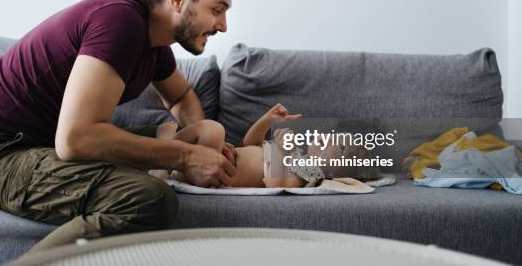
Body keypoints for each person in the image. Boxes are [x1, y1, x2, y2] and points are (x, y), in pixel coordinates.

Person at [0, 0, 240, 253]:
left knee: (174, 135)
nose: (222, 26)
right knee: (151, 199)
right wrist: (185, 156)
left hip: (43, 146)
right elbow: (75, 140)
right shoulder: (119, 24)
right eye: (216, 10)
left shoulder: (155, 44)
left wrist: (205, 148)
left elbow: (181, 97)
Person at [154, 104, 382, 188]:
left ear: (334, 173)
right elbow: (250, 143)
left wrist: (283, 151)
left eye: (341, 149)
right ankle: (166, 152)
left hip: (213, 174)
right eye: (337, 136)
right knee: (212, 132)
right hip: (213, 157)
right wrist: (267, 120)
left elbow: (275, 184)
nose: (333, 139)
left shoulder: (306, 175)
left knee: (213, 130)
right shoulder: (298, 155)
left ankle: (163, 149)